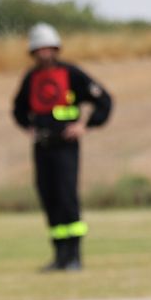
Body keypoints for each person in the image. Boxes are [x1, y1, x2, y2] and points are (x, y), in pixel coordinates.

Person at [11, 23, 112, 271]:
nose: (44, 54)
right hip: (42, 146)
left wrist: (85, 126)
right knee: (49, 199)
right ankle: (59, 256)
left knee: (67, 198)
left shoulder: (72, 74)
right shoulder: (31, 77)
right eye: (39, 50)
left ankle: (75, 256)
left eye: (48, 48)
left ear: (56, 49)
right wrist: (28, 127)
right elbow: (18, 108)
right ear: (33, 53)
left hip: (66, 147)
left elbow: (104, 101)